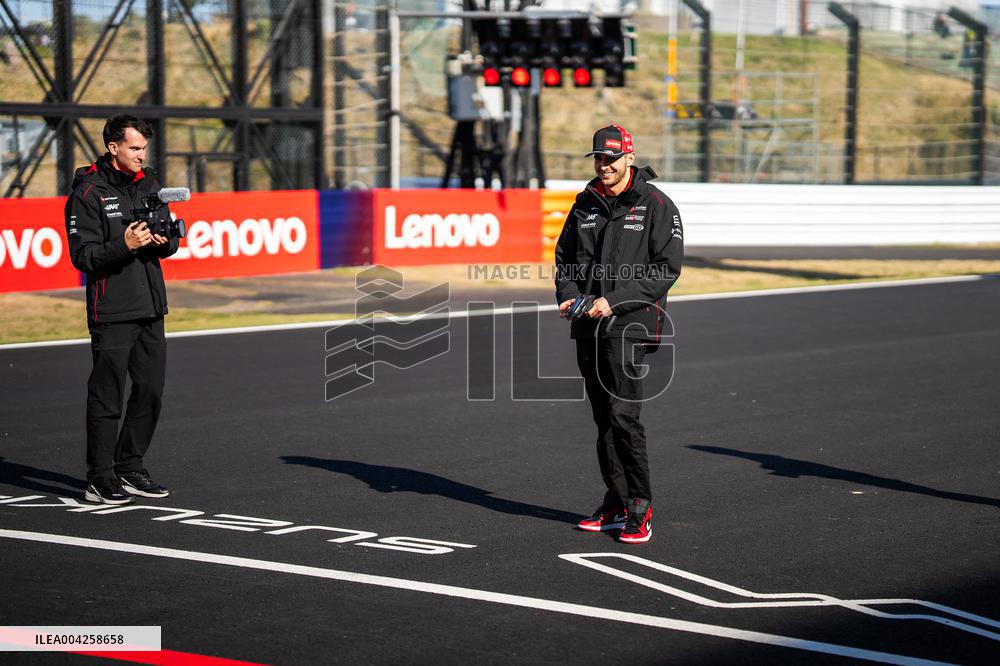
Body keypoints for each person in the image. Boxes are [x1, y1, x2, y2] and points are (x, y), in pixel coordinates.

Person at [554, 124, 683, 544]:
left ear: (630, 157)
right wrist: (568, 296)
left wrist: (616, 300)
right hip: (587, 324)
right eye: (598, 158)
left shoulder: (657, 205)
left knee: (624, 417)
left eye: (611, 158)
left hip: (630, 323)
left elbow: (666, 270)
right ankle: (615, 501)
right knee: (602, 419)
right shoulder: (585, 203)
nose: (603, 166)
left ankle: (639, 506)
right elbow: (564, 258)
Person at [64, 115, 180, 505]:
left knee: (150, 391)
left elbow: (166, 243)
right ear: (113, 147)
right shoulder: (88, 192)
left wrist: (165, 240)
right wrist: (125, 245)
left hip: (150, 305)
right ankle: (100, 477)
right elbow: (83, 257)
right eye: (134, 148)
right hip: (112, 309)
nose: (141, 155)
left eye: (144, 148)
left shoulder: (149, 183)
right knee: (107, 396)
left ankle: (130, 467)